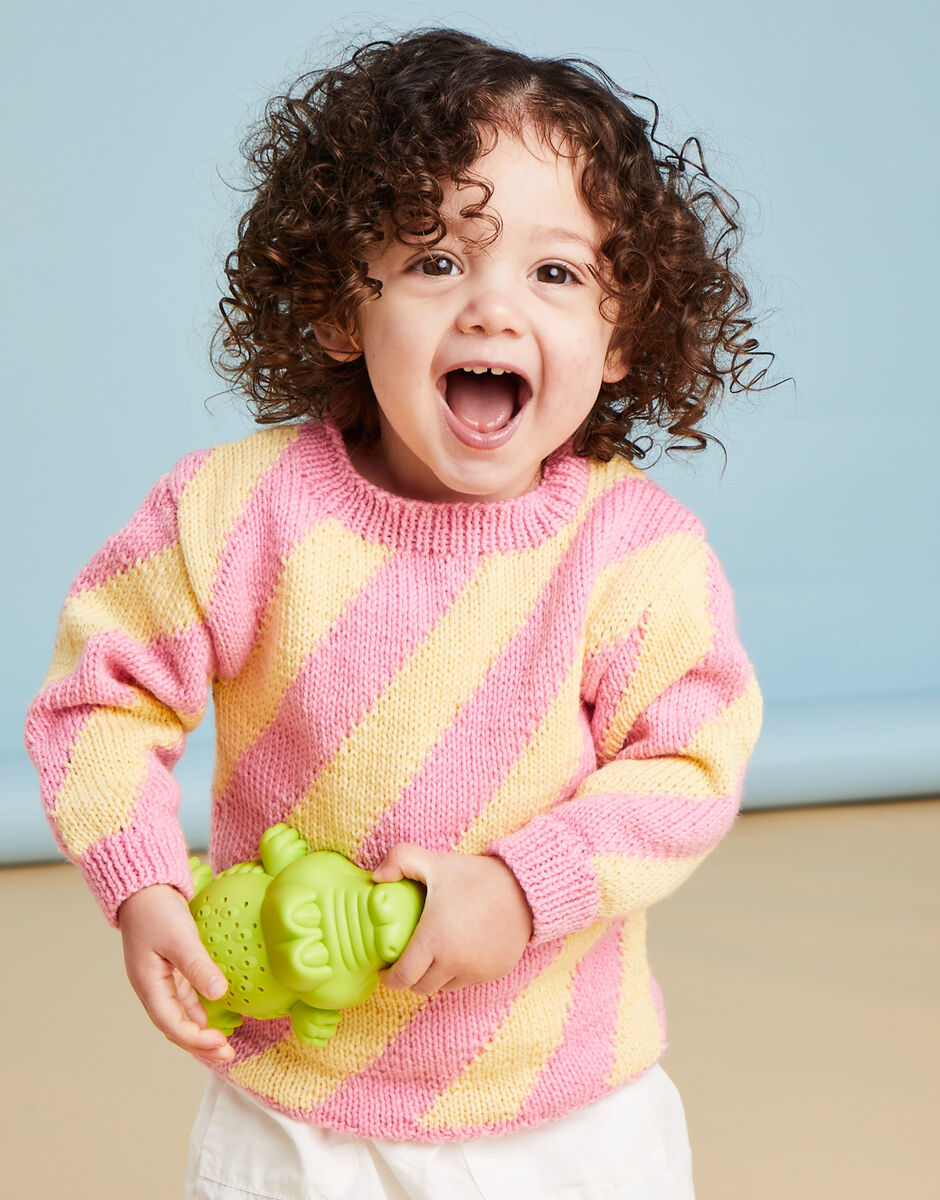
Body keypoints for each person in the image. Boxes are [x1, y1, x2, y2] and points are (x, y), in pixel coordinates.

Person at [25, 28, 770, 1199]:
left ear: (621, 335)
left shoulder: (633, 554)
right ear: (335, 309)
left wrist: (524, 889)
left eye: (555, 273)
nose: (489, 309)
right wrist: (142, 880)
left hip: (564, 1111)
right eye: (434, 261)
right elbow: (100, 699)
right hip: (298, 1112)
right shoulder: (231, 513)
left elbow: (685, 765)